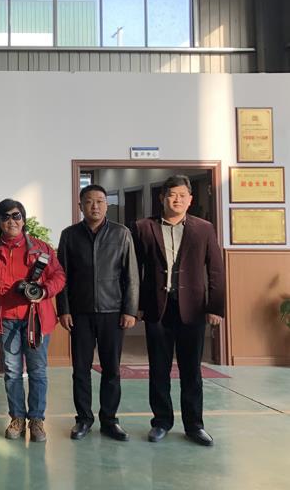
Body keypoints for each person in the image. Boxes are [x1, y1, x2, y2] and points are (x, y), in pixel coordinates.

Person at [132, 174, 224, 447]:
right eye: (172, 195)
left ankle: (194, 425)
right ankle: (161, 422)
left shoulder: (204, 228)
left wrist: (215, 307)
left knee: (191, 370)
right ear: (162, 198)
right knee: (158, 369)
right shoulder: (143, 227)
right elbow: (134, 270)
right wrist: (136, 306)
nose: (177, 200)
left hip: (192, 309)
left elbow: (215, 270)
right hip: (157, 309)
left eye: (183, 195)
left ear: (190, 199)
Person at [57, 184, 138, 442]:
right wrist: (64, 310)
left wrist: (130, 310)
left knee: (111, 369)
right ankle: (83, 419)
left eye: (100, 201)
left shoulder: (121, 233)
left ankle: (110, 420)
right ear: (80, 205)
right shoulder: (69, 235)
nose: (95, 206)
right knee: (80, 369)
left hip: (112, 312)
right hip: (79, 313)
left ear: (107, 204)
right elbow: (61, 276)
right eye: (89, 201)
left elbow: (131, 275)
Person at [0, 198, 65, 443]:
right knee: (12, 372)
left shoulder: (41, 248)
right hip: (6, 319)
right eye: (5, 217)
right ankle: (17, 417)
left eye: (16, 215)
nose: (12, 221)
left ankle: (37, 419)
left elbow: (59, 276)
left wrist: (44, 291)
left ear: (24, 219)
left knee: (38, 371)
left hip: (35, 319)